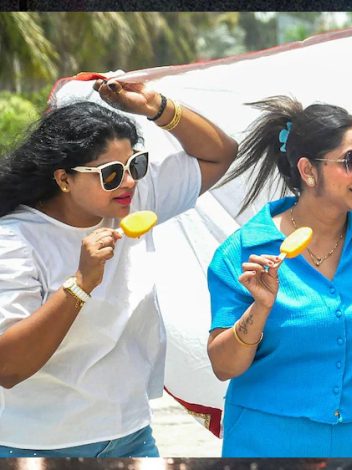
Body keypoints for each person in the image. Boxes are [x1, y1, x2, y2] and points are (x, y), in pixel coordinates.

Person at [0, 79, 238, 457]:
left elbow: (220, 154)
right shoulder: (15, 240)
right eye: (110, 172)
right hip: (40, 445)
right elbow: (8, 368)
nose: (128, 181)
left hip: (131, 435)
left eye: (135, 164)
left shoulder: (133, 200)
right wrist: (80, 285)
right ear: (63, 178)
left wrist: (156, 106)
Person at [206, 96, 352, 457]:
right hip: (268, 445)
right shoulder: (243, 252)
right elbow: (224, 367)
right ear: (307, 170)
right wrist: (260, 308)